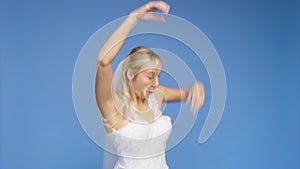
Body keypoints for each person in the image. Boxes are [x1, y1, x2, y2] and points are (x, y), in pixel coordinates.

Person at [95, 1, 205, 169]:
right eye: (150, 76)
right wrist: (134, 18)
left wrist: (196, 87)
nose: (157, 83)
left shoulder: (157, 96)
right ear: (131, 74)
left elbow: (187, 92)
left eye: (158, 76)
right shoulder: (112, 106)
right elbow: (104, 61)